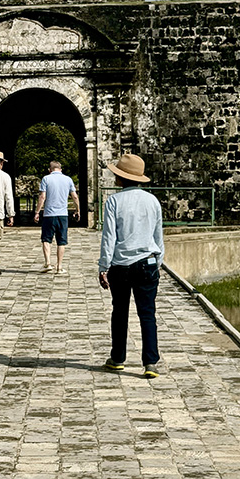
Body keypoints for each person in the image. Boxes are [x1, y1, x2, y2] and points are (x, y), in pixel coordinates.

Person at [98, 153, 164, 378]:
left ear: (121, 178)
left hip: (121, 265)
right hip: (147, 262)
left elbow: (109, 238)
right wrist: (159, 263)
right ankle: (150, 363)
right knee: (147, 313)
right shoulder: (152, 201)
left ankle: (118, 358)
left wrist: (103, 266)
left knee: (120, 312)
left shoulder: (114, 201)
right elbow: (158, 236)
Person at [34, 160, 79, 274]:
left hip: (49, 214)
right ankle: (59, 266)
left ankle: (48, 263)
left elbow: (42, 197)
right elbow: (74, 196)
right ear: (61, 169)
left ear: (50, 169)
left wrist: (37, 212)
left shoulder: (46, 179)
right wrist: (78, 210)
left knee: (46, 239)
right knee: (61, 241)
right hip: (63, 215)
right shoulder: (68, 179)